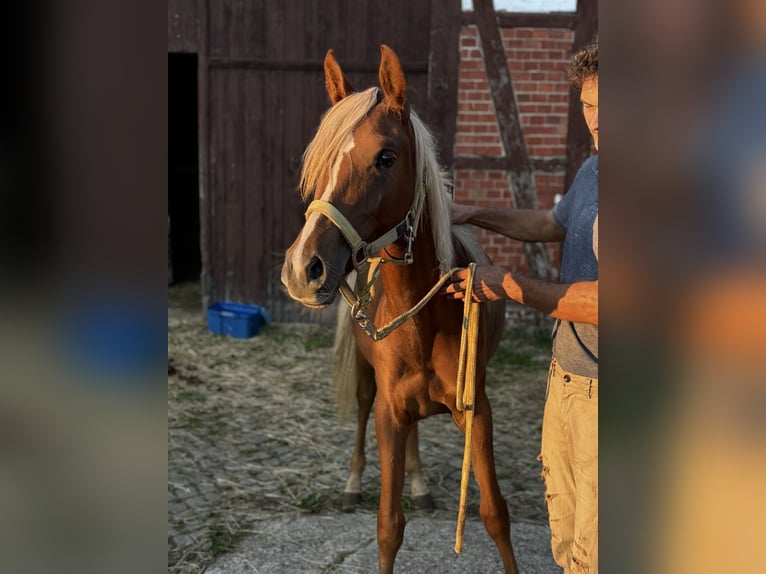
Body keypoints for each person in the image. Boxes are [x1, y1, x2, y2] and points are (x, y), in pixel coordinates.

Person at [444, 40, 598, 573]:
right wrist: (475, 213)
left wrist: (508, 285)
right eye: (588, 105)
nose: (597, 121)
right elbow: (551, 225)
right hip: (564, 380)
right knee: (566, 535)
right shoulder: (594, 172)